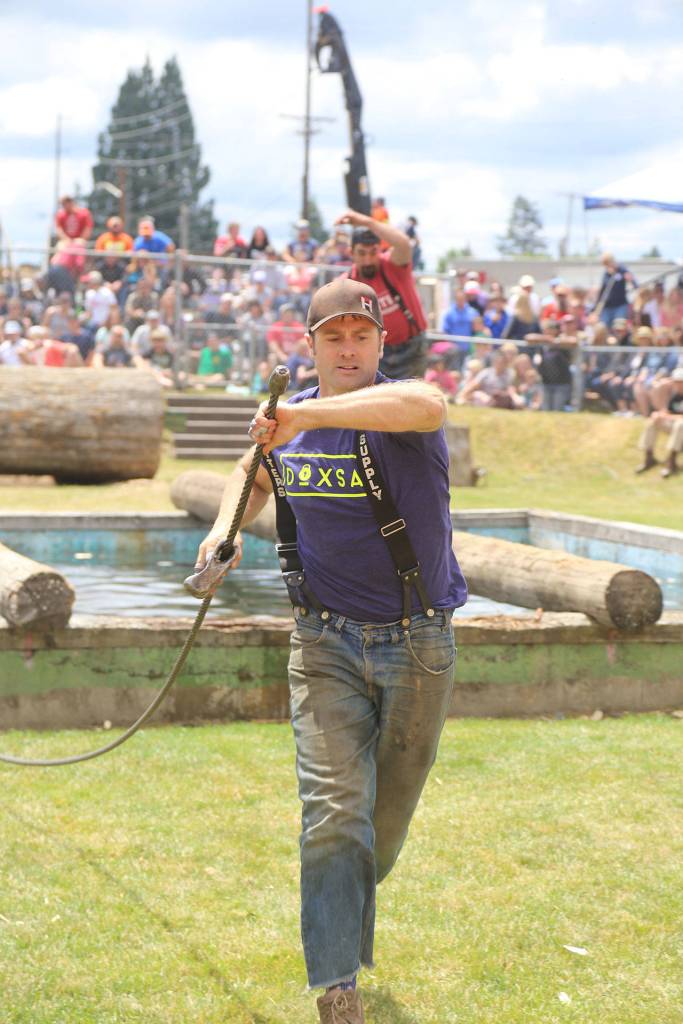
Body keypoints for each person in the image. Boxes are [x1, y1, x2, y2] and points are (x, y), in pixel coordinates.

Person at [193, 278, 467, 1023]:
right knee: (335, 814)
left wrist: (299, 414)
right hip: (322, 641)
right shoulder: (290, 424)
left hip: (418, 643)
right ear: (310, 344)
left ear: (381, 342)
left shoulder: (398, 406)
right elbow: (250, 476)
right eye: (333, 337)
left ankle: (345, 901)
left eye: (362, 336)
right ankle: (337, 988)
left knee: (381, 830)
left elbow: (427, 406)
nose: (349, 350)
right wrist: (222, 534)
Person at [338, 208, 429, 380]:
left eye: (373, 252)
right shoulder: (346, 285)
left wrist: (367, 222)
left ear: (380, 250)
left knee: (411, 397)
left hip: (411, 347)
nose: (368, 260)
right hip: (376, 352)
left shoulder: (393, 265)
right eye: (362, 253)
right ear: (351, 253)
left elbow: (403, 244)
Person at [636, 367, 683, 478]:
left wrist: (666, 416)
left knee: (680, 425)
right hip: (675, 423)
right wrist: (659, 415)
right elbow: (668, 411)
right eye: (675, 382)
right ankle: (649, 458)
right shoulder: (676, 395)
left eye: (679, 382)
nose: (677, 384)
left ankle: (671, 462)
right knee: (653, 422)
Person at [595, 253, 635, 327]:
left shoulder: (622, 270)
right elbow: (602, 291)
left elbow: (633, 282)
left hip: (620, 305)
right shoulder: (606, 274)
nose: (607, 266)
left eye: (607, 263)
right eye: (605, 265)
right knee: (603, 326)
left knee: (619, 326)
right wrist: (596, 306)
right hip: (607, 306)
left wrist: (631, 281)